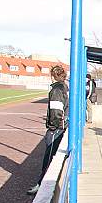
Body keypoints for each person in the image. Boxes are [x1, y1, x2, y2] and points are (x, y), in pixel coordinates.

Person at [28, 66, 69, 195]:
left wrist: (53, 126)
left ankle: (41, 184)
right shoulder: (63, 86)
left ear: (53, 75)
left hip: (56, 129)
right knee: (51, 157)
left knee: (49, 157)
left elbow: (56, 111)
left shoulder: (57, 89)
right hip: (60, 126)